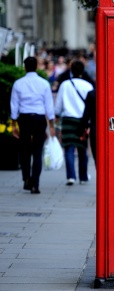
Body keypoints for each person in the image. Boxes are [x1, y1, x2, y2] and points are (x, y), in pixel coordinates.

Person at [10, 56, 56, 194]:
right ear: (36, 66)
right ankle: (35, 184)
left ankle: (26, 178)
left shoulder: (18, 83)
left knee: (24, 150)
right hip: (39, 118)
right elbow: (49, 106)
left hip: (24, 118)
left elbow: (14, 105)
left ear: (24, 67)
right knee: (37, 152)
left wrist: (13, 125)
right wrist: (51, 125)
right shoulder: (43, 83)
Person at [54, 60, 94, 186]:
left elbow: (58, 106)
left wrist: (56, 116)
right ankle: (83, 177)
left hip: (68, 120)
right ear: (83, 71)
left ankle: (71, 176)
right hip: (83, 121)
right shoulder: (88, 86)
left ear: (71, 70)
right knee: (82, 149)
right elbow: (92, 107)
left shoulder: (65, 85)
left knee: (69, 149)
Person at [78, 89, 96, 162]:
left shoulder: (92, 94)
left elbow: (86, 113)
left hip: (95, 128)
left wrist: (83, 128)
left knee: (97, 157)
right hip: (112, 128)